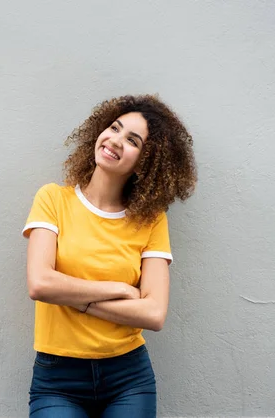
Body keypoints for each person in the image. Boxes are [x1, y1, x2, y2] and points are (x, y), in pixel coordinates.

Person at [22, 94, 197, 417]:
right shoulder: (53, 199)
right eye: (114, 128)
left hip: (128, 377)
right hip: (57, 378)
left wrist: (77, 299)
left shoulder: (152, 220)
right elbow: (40, 283)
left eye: (132, 140)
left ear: (148, 162)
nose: (115, 140)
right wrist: (116, 289)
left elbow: (154, 313)